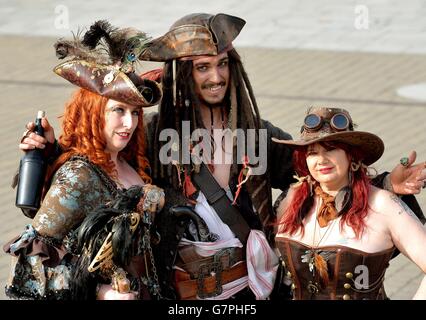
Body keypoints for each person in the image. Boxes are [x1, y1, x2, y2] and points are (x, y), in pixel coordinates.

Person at [17, 13, 426, 300]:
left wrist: (386, 184)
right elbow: (97, 167)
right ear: (183, 74)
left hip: (250, 288)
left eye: (222, 64)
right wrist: (49, 153)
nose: (215, 77)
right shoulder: (155, 132)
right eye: (201, 67)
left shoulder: (258, 134)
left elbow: (322, 175)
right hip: (178, 291)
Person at [4, 20, 164, 300]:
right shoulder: (79, 175)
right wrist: (102, 293)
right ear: (93, 112)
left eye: (135, 112)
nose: (129, 123)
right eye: (118, 110)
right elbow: (30, 264)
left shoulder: (132, 162)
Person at [273, 106, 426, 300]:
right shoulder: (292, 200)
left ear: (351, 155)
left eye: (331, 149)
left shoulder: (383, 204)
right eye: (312, 152)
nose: (321, 160)